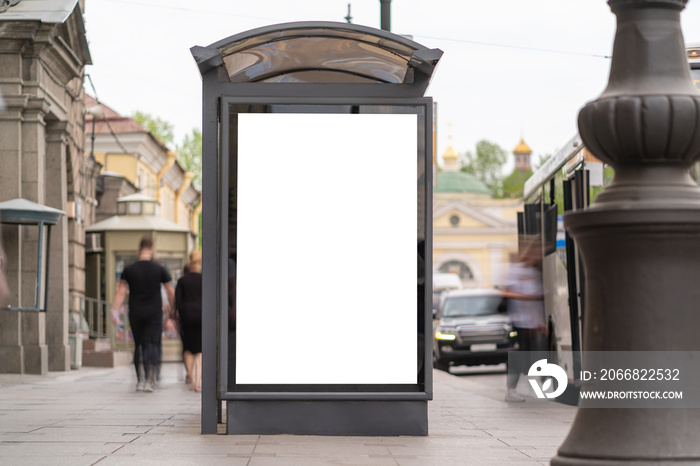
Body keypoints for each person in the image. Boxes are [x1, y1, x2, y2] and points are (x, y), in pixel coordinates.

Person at [112, 236, 175, 392]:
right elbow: (170, 291)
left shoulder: (130, 269)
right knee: (152, 344)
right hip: (154, 313)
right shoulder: (159, 269)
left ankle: (140, 381)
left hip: (136, 312)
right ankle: (149, 379)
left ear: (139, 249)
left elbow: (121, 292)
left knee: (139, 344)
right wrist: (173, 311)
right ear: (152, 248)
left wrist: (115, 311)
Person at [503, 238, 546, 401]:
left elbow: (538, 301)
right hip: (519, 321)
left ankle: (523, 387)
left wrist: (540, 323)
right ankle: (511, 390)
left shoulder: (534, 273)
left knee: (529, 357)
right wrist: (527, 297)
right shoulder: (517, 270)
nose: (538, 257)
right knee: (520, 356)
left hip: (532, 323)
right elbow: (507, 292)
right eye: (535, 254)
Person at [176, 250, 203, 392]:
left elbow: (178, 303)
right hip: (202, 317)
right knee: (200, 351)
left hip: (186, 317)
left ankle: (191, 378)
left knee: (188, 349)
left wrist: (178, 319)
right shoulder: (205, 279)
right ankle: (197, 383)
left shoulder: (182, 280)